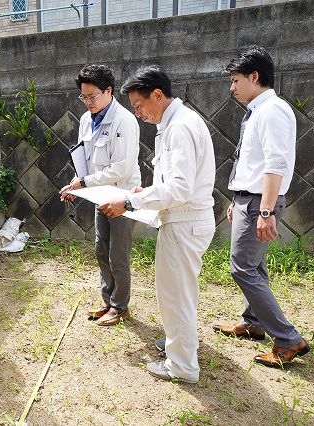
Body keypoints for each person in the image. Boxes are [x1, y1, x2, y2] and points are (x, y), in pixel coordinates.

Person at [100, 66, 215, 383]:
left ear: (157, 95)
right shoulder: (174, 123)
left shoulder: (179, 127)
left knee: (175, 296)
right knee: (178, 293)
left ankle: (182, 366)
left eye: (138, 104)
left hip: (184, 223)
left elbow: (180, 189)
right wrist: (143, 193)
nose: (137, 113)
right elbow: (173, 182)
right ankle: (178, 346)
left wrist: (129, 201)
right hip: (184, 221)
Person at [214, 45, 309, 367]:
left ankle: (288, 339)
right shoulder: (259, 110)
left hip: (259, 202)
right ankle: (253, 323)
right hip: (249, 198)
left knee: (242, 268)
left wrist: (265, 211)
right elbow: (251, 162)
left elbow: (275, 164)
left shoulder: (272, 111)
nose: (232, 87)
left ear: (254, 77)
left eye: (236, 79)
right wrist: (237, 198)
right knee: (254, 267)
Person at [59, 64, 141, 327]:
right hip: (99, 195)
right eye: (84, 97)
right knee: (101, 249)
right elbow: (85, 159)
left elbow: (121, 168)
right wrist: (77, 182)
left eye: (92, 96)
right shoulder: (86, 119)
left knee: (118, 254)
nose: (88, 102)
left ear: (109, 91)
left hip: (122, 197)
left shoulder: (124, 120)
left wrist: (83, 183)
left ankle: (120, 306)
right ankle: (108, 300)